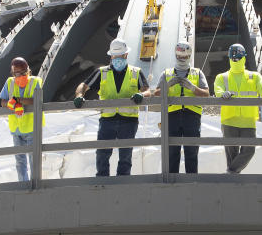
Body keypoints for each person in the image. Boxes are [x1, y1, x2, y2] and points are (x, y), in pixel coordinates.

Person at [74, 38, 154, 177]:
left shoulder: (136, 72)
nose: (118, 59)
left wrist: (141, 95)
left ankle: (123, 179)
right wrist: (79, 95)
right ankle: (102, 180)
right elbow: (84, 85)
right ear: (111, 56)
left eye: (120, 56)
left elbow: (148, 90)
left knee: (125, 154)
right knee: (102, 153)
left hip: (129, 120)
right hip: (107, 120)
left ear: (126, 55)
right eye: (115, 56)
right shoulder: (101, 72)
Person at [213, 44, 262, 174]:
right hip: (229, 119)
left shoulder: (254, 76)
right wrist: (221, 94)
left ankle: (230, 172)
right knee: (231, 153)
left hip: (248, 120)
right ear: (230, 58)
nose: (236, 60)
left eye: (238, 58)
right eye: (234, 58)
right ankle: (233, 179)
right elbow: (218, 89)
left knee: (249, 150)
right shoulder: (222, 77)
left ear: (243, 58)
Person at [155, 41, 209, 174]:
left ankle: (192, 180)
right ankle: (172, 181)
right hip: (172, 116)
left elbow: (206, 93)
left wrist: (193, 88)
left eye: (185, 56)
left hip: (192, 116)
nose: (182, 58)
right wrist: (167, 86)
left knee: (191, 151)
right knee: (172, 152)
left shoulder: (197, 73)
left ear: (189, 56)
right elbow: (156, 93)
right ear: (175, 55)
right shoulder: (166, 73)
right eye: (180, 56)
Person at [0, 57, 44, 182]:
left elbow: (36, 100)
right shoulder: (10, 82)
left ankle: (35, 184)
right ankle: (23, 184)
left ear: (28, 71)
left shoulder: (36, 81)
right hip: (16, 128)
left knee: (33, 158)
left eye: (23, 73)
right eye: (16, 74)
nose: (20, 76)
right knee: (20, 161)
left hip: (32, 127)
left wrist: (17, 100)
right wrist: (14, 105)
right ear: (13, 74)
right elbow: (3, 101)